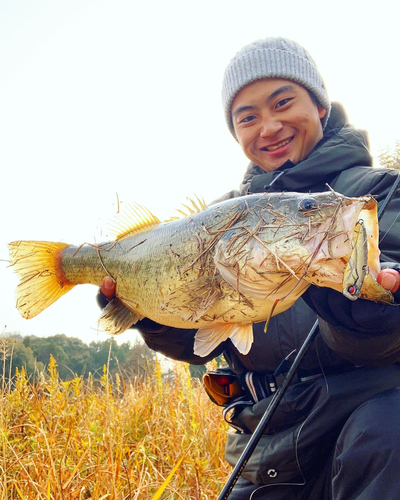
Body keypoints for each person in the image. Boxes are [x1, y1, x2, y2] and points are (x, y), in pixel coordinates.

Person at [99, 38, 400, 499]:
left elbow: (387, 316)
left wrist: (369, 310)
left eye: (284, 102)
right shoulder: (217, 219)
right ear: (236, 132)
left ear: (319, 106)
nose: (270, 126)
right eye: (248, 117)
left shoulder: (378, 196)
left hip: (371, 436)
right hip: (268, 449)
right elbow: (200, 339)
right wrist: (144, 310)